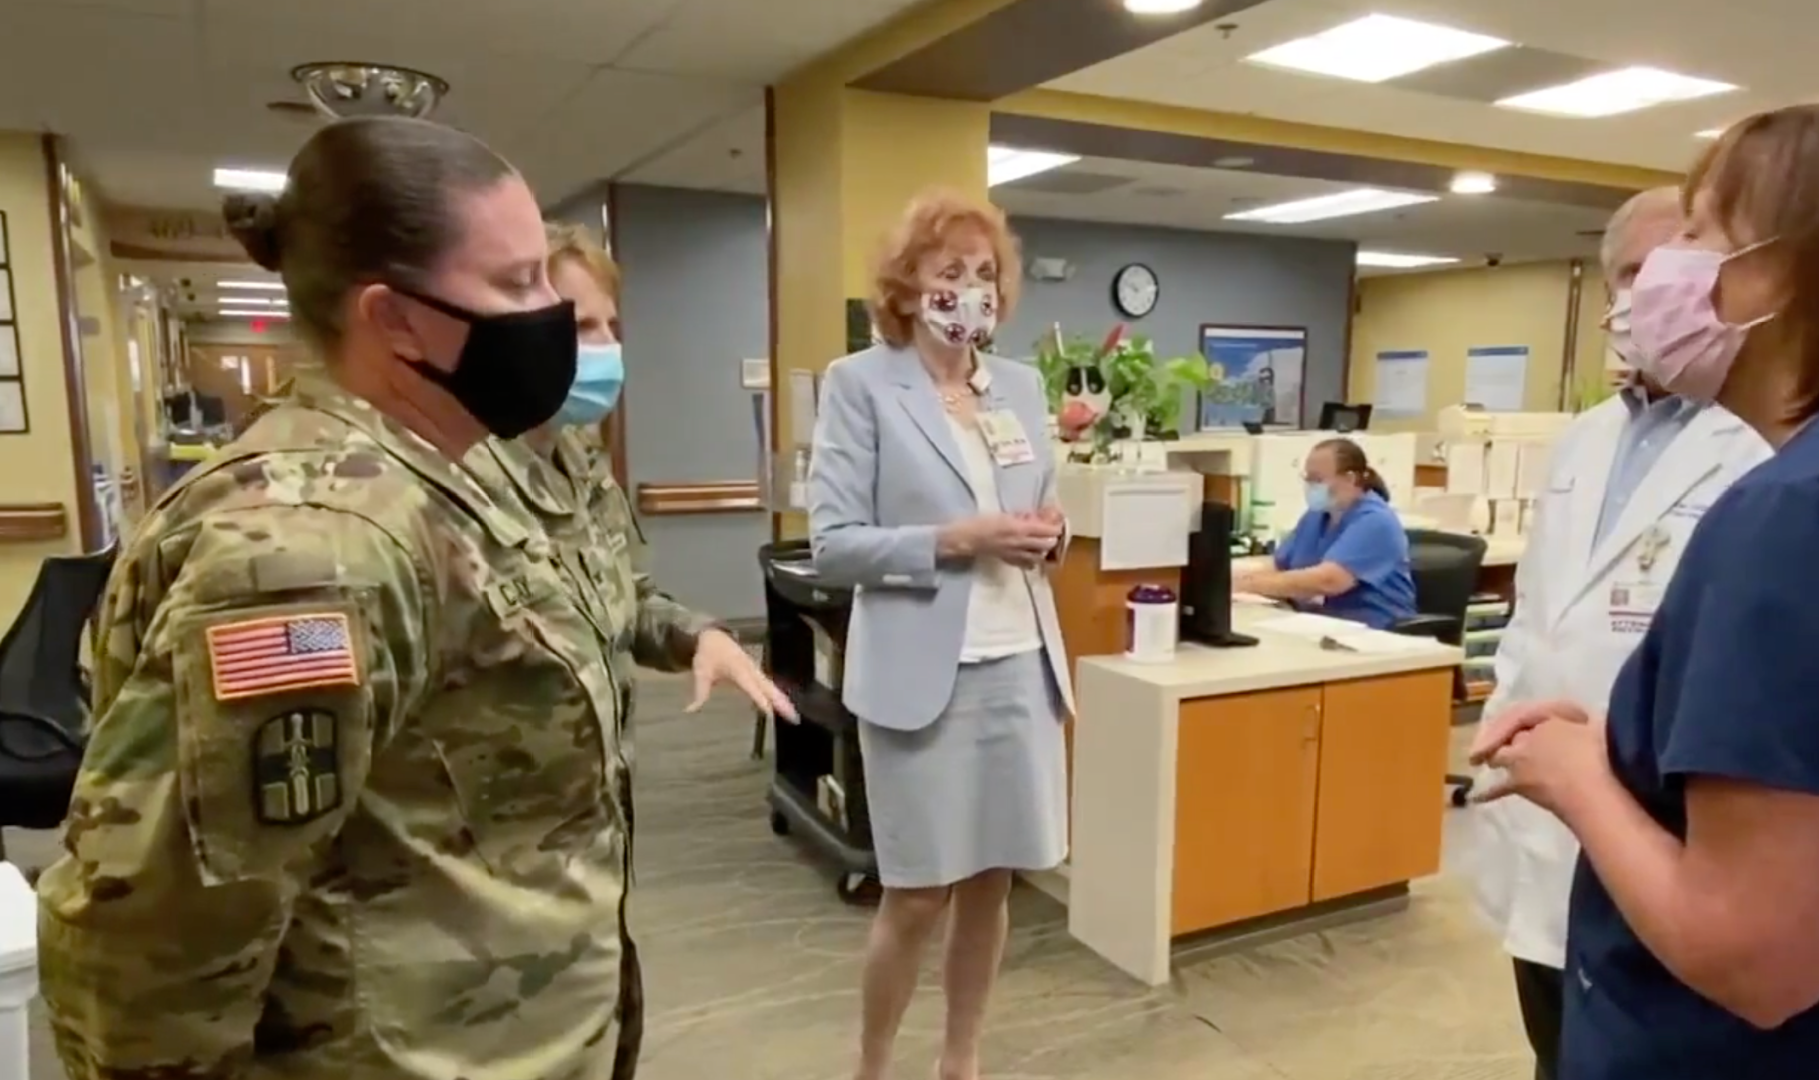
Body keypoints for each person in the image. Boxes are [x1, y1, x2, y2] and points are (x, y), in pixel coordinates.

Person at [35, 116, 641, 1080]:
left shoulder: (446, 477)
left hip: (506, 1030)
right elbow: (157, 943)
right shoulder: (318, 549)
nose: (555, 319)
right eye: (517, 284)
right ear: (393, 318)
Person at [1471, 95, 1819, 1080]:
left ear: (1795, 271)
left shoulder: (1812, 507)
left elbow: (1759, 955)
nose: (1662, 279)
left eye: (1702, 235)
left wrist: (1581, 780)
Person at [1465, 187, 1771, 1080]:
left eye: (1683, 265)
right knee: (1555, 1043)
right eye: (1636, 274)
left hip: (1667, 815)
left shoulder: (1759, 443)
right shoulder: (1583, 439)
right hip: (1547, 811)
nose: (1658, 291)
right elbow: (1537, 611)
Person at [808, 189, 1073, 1080]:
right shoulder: (860, 386)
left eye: (985, 273)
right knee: (917, 894)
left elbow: (1034, 505)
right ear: (909, 283)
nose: (971, 290)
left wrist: (1050, 534)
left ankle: (960, 1060)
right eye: (949, 272)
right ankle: (872, 1062)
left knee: (994, 880)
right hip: (924, 676)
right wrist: (959, 540)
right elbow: (834, 546)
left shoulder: (1022, 389)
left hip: (1019, 664)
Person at [466, 222, 792, 716]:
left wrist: (699, 636)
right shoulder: (453, 476)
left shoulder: (579, 460)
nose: (605, 347)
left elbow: (625, 599)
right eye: (578, 327)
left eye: (610, 328)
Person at [1232, 436, 1415, 629]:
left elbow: (1329, 580)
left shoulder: (1375, 520)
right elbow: (1280, 563)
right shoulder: (1318, 516)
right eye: (1308, 479)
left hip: (1377, 631)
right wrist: (1219, 573)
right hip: (1324, 627)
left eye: (1317, 480)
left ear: (1349, 479)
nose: (1311, 487)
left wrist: (1247, 584)